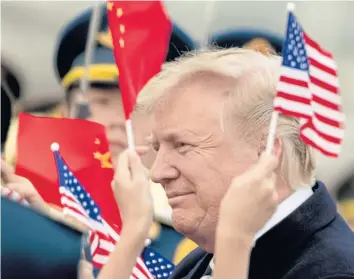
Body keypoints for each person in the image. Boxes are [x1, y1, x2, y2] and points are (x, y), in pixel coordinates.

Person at [136, 47, 354, 279]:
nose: (158, 173)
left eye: (182, 145)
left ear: (267, 151)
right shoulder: (203, 260)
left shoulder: (332, 271)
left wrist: (234, 243)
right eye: (158, 148)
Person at [53, 4, 198, 264]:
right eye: (101, 102)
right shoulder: (19, 206)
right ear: (66, 112)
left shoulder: (183, 250)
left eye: (136, 107)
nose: (120, 121)